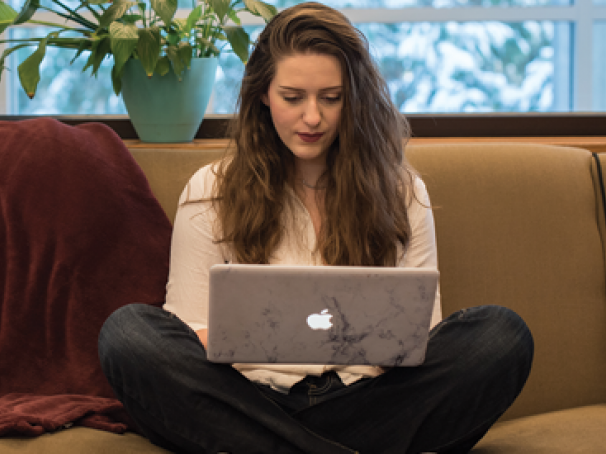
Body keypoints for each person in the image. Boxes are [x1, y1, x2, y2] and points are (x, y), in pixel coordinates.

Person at [98, 3, 534, 453]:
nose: (313, 118)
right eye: (293, 97)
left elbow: (422, 334)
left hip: (368, 400)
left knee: (502, 336)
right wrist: (272, 337)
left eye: (332, 98)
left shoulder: (402, 190)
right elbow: (187, 332)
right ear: (263, 94)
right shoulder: (211, 189)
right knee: (128, 334)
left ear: (355, 98)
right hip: (247, 397)